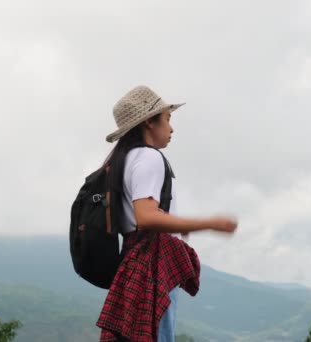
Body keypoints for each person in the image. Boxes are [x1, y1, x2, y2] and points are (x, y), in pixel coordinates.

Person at [96, 85, 238, 341]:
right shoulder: (149, 158)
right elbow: (146, 216)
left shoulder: (123, 160)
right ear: (149, 122)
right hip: (152, 265)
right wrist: (208, 223)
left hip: (132, 258)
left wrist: (176, 224)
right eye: (168, 119)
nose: (171, 128)